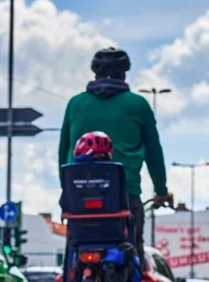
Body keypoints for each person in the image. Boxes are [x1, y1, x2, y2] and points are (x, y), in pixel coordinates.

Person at [59, 47, 173, 251]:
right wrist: (162, 191)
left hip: (79, 194)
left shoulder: (75, 104)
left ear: (94, 72)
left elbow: (63, 153)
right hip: (124, 195)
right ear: (124, 73)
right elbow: (154, 154)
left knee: (76, 251)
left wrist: (67, 189)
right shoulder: (138, 105)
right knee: (132, 252)